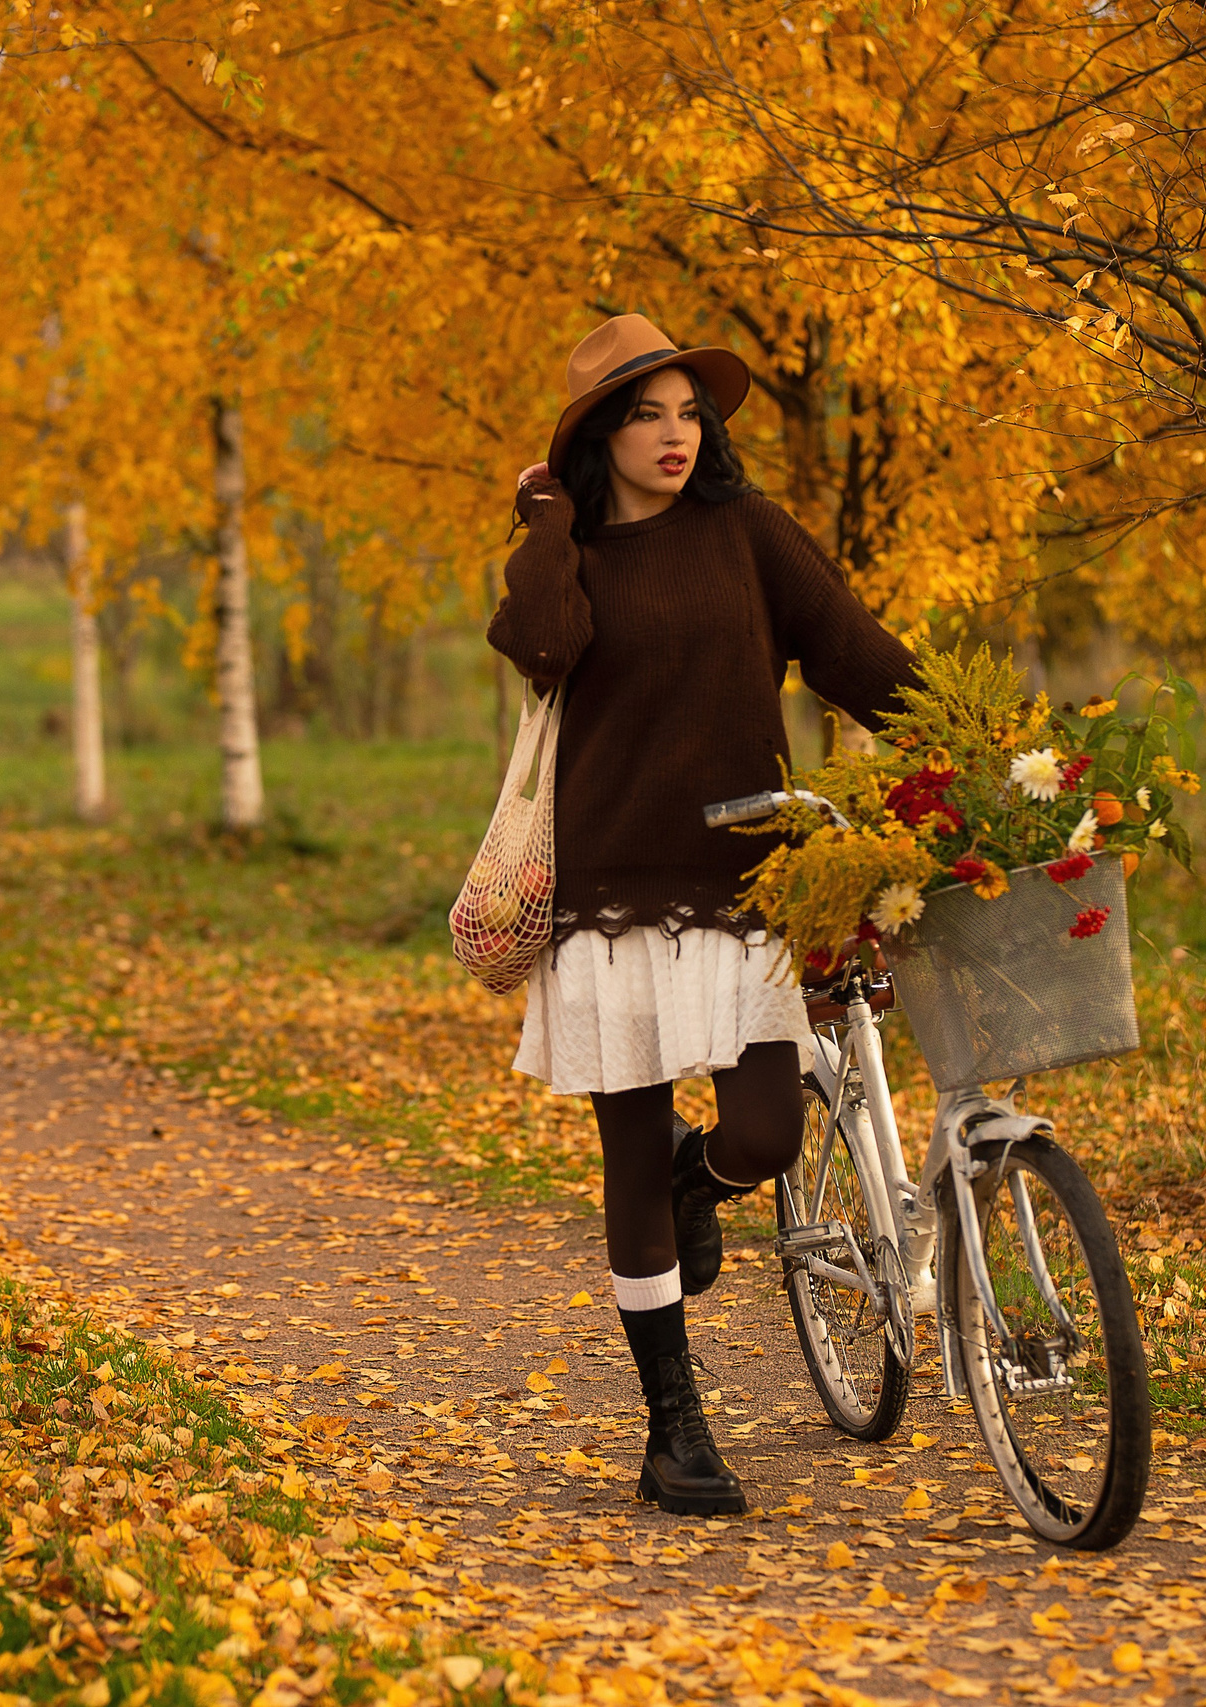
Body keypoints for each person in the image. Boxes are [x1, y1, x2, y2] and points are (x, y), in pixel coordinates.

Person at [487, 313, 920, 1515]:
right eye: (644, 416)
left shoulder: (745, 532)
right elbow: (540, 645)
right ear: (596, 439)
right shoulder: (567, 555)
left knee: (766, 1133)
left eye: (687, 413)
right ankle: (673, 1427)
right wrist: (548, 521)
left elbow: (853, 653)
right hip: (609, 894)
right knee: (628, 1152)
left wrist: (975, 745)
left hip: (745, 887)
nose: (674, 435)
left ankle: (702, 1183)